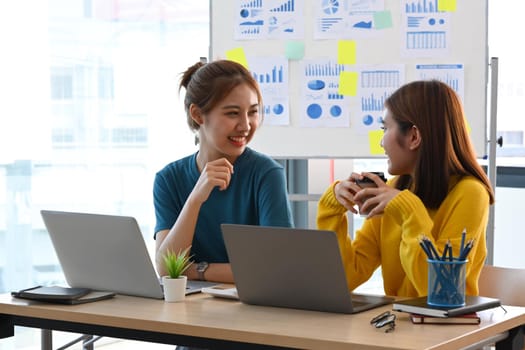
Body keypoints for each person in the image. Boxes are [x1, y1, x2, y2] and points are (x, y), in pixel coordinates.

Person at [317, 79, 494, 297]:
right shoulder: (394, 191)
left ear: (413, 136)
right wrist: (332, 208)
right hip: (398, 325)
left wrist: (409, 212)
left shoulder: (470, 193)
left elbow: (443, 292)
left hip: (447, 328)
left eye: (385, 129)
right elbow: (344, 279)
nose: (381, 143)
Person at [154, 59, 294, 284]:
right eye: (232, 113)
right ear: (198, 115)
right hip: (188, 309)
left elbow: (276, 267)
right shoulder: (169, 179)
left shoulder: (266, 174)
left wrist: (196, 271)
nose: (246, 125)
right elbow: (165, 268)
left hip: (252, 308)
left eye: (253, 112)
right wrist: (195, 200)